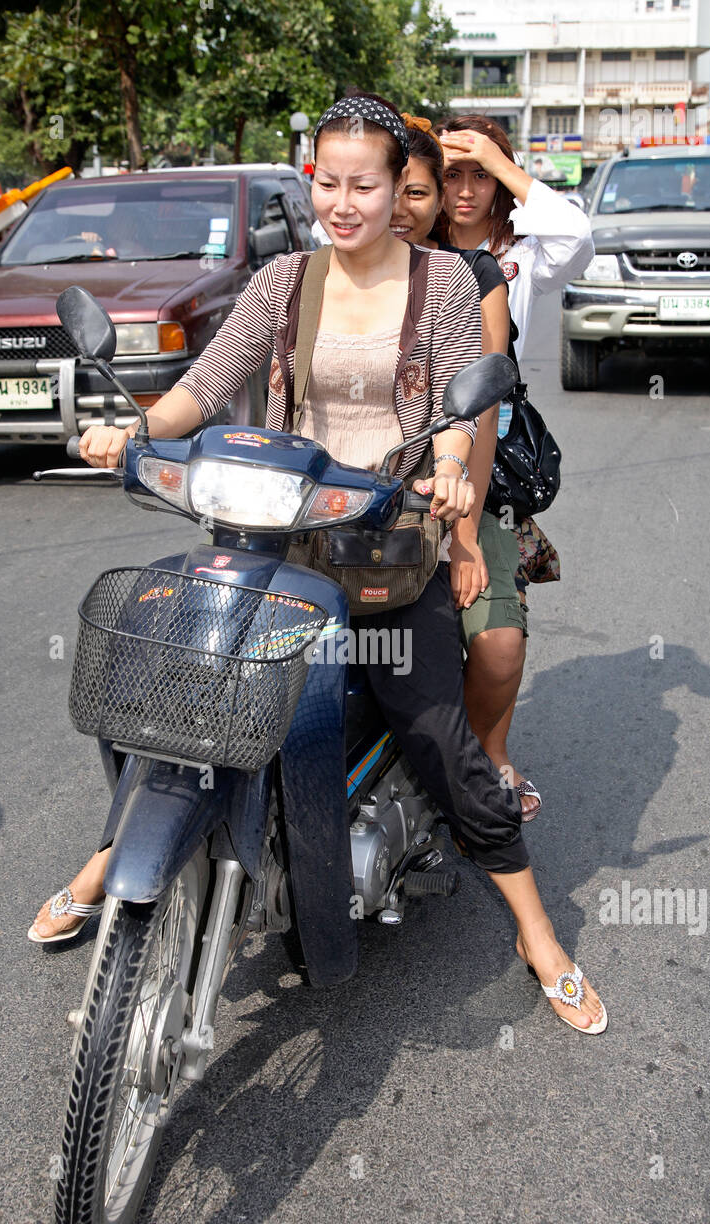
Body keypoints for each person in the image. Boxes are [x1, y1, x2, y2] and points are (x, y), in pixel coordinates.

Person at [29, 93, 605, 1035]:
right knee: (184, 690)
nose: (345, 203)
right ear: (313, 183)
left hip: (385, 547)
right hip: (272, 532)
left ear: (394, 187)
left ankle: (539, 935)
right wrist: (133, 431)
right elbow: (207, 387)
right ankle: (111, 859)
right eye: (327, 183)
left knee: (442, 747)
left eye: (364, 185)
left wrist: (452, 474)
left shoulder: (446, 286)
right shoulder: (284, 281)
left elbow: (463, 413)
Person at [433, 114, 595, 821]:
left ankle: (489, 752)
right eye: (451, 175)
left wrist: (502, 162)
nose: (465, 191)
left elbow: (578, 236)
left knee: (497, 635)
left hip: (487, 454)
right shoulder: (406, 246)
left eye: (481, 177)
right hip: (401, 450)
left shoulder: (520, 253)